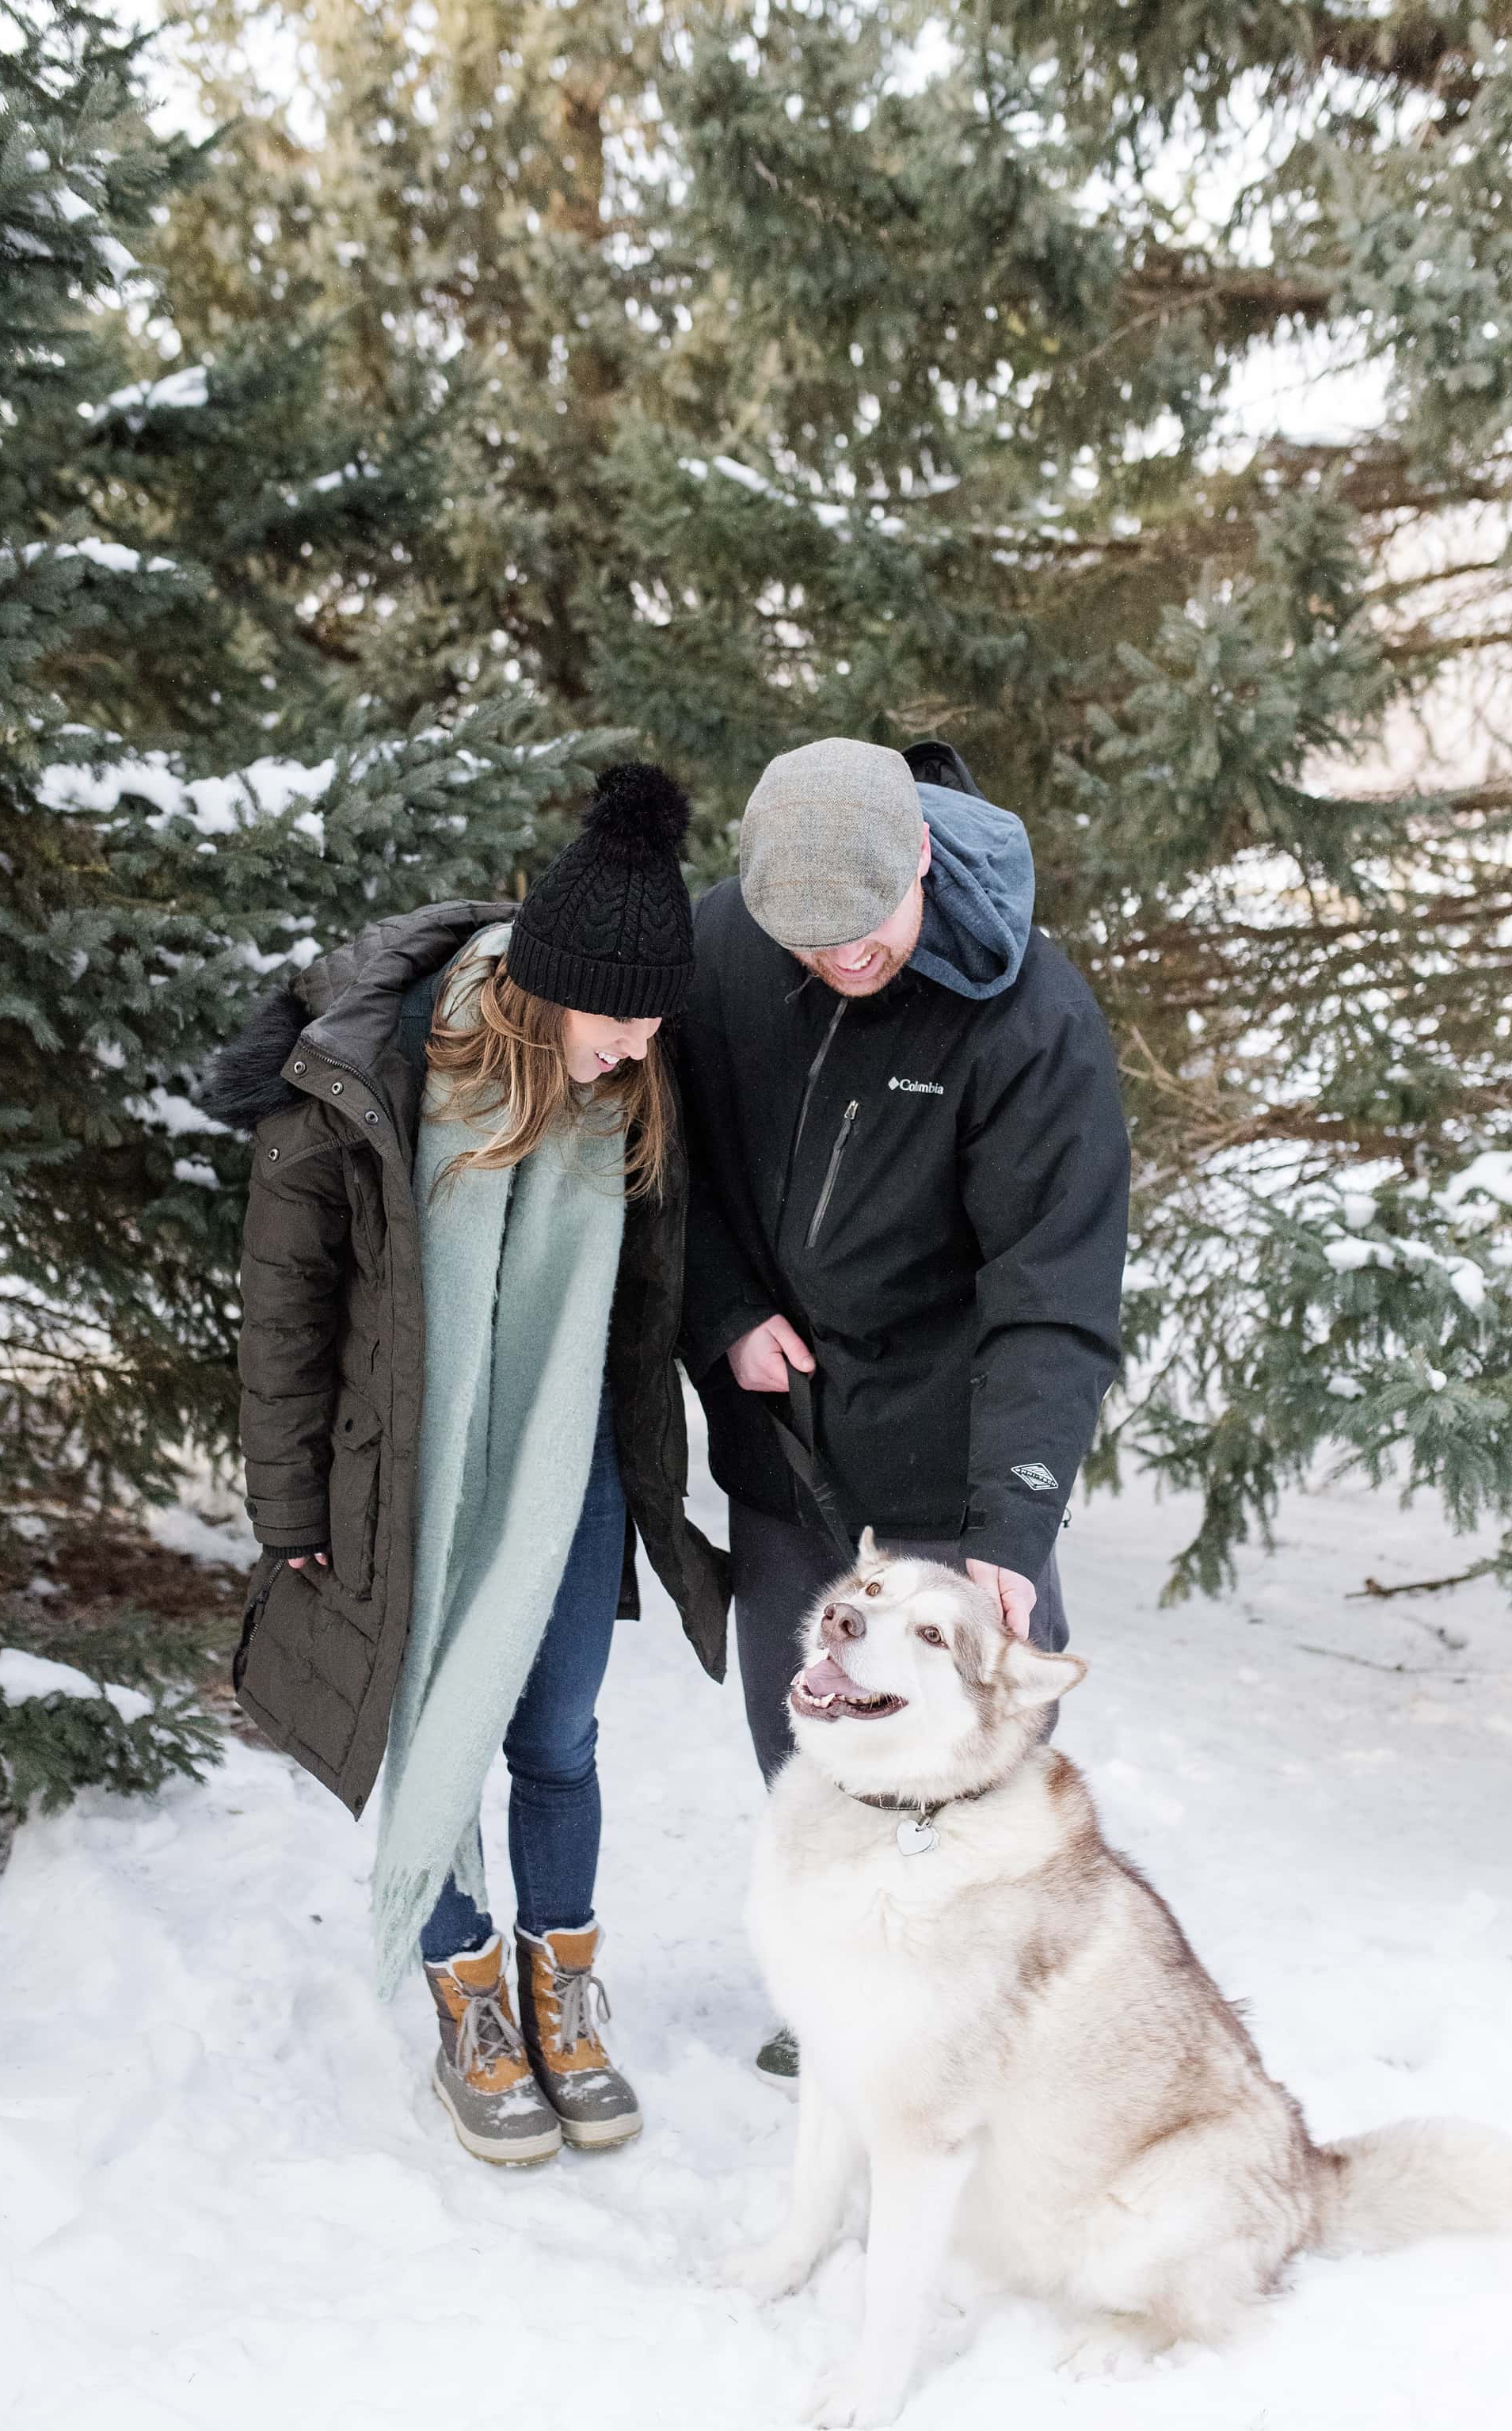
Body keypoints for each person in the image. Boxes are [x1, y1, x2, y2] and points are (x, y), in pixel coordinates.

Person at [206, 765, 727, 2163]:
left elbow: (667, 1287)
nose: (640, 1044)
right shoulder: (365, 1072)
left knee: (556, 1738)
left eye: (655, 1019)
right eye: (623, 1018)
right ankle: (469, 2002)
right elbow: (287, 1306)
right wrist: (291, 1501)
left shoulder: (629, 1090)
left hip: (570, 1474)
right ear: (547, 987)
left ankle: (561, 1995)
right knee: (433, 1721)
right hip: (407, 1480)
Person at [676, 736, 1129, 2072]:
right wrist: (717, 1311)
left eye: (865, 926)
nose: (840, 958)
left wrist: (1014, 1527)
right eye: (806, 938)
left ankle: (982, 2001)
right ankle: (841, 1982)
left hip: (952, 1437)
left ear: (921, 855)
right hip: (789, 1424)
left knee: (976, 1743)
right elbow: (661, 1154)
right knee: (809, 1712)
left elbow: (1053, 1289)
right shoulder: (726, 951)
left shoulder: (1029, 1019)